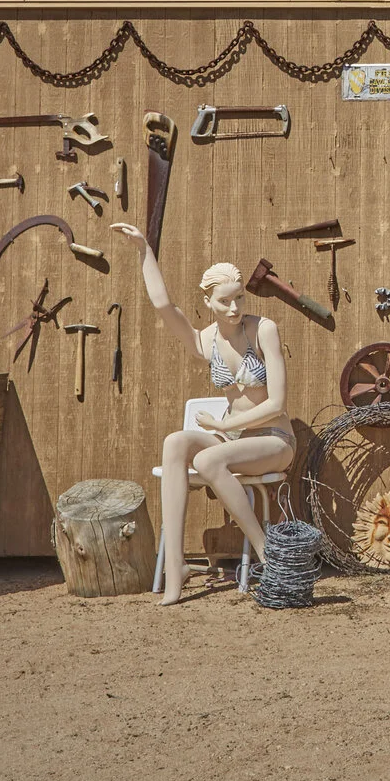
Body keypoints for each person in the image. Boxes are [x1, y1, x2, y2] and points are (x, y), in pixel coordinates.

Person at [111, 222, 293, 604]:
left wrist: (226, 424)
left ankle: (266, 555)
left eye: (239, 299)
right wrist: (144, 250)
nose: (234, 308)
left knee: (209, 459)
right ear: (208, 302)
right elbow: (163, 305)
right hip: (231, 442)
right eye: (224, 301)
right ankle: (175, 566)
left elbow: (276, 404)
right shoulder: (204, 341)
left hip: (274, 441)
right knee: (176, 443)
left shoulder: (264, 330)